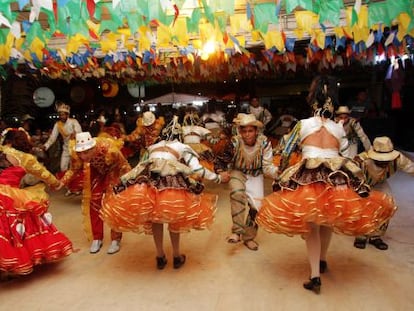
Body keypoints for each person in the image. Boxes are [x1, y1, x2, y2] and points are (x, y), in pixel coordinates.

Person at [256, 75, 397, 294]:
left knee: (312, 226)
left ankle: (315, 275)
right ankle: (322, 260)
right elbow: (341, 151)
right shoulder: (339, 127)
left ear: (312, 101)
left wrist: (282, 171)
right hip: (335, 176)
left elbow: (286, 151)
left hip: (308, 177)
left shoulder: (302, 125)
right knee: (329, 219)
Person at [101, 116, 230, 269]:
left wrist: (124, 181)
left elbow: (141, 166)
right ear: (180, 136)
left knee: (156, 218)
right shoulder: (182, 146)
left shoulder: (152, 147)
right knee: (174, 218)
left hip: (150, 185)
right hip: (172, 184)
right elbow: (197, 169)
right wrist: (218, 178)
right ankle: (176, 256)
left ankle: (160, 256)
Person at [0, 128, 72, 277]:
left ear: (7, 141)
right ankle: (16, 261)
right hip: (10, 195)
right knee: (16, 227)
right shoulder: (26, 158)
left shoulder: (2, 149)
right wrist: (56, 183)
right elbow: (43, 173)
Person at [215, 113, 279, 251]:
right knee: (237, 193)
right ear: (239, 131)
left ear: (256, 131)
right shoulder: (234, 143)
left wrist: (278, 173)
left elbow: (267, 166)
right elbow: (220, 159)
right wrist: (221, 171)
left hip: (256, 174)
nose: (247, 134)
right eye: (243, 131)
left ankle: (248, 237)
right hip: (238, 172)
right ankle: (237, 232)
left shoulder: (265, 143)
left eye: (250, 131)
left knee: (257, 207)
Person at [60, 132, 131, 254]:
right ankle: (97, 238)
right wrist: (62, 182)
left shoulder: (109, 149)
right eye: (80, 153)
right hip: (96, 172)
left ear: (93, 148)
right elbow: (73, 170)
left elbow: (123, 164)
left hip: (113, 171)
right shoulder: (78, 155)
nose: (83, 156)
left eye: (86, 152)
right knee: (94, 202)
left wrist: (129, 181)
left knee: (112, 204)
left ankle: (116, 239)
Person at [353, 136, 414, 250]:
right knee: (362, 208)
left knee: (387, 205)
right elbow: (350, 175)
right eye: (381, 159)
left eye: (387, 159)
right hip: (363, 184)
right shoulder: (361, 160)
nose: (385, 162)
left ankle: (376, 236)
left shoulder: (398, 158)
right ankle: (361, 235)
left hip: (381, 183)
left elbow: (411, 168)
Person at [43, 102, 82, 173]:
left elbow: (80, 132)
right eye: (60, 115)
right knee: (63, 167)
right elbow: (52, 138)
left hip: (75, 148)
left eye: (63, 115)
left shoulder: (74, 122)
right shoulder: (57, 125)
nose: (61, 117)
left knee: (75, 168)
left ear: (67, 115)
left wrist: (75, 134)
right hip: (66, 148)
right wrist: (46, 146)